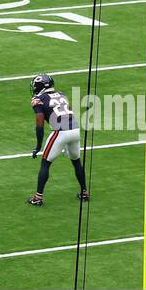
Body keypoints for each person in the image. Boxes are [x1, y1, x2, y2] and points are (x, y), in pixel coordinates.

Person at [27, 74, 88, 207]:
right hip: (75, 129)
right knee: (77, 162)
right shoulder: (62, 94)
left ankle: (38, 198)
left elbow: (39, 124)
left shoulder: (38, 99)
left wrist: (38, 146)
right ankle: (84, 192)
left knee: (45, 163)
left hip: (60, 132)